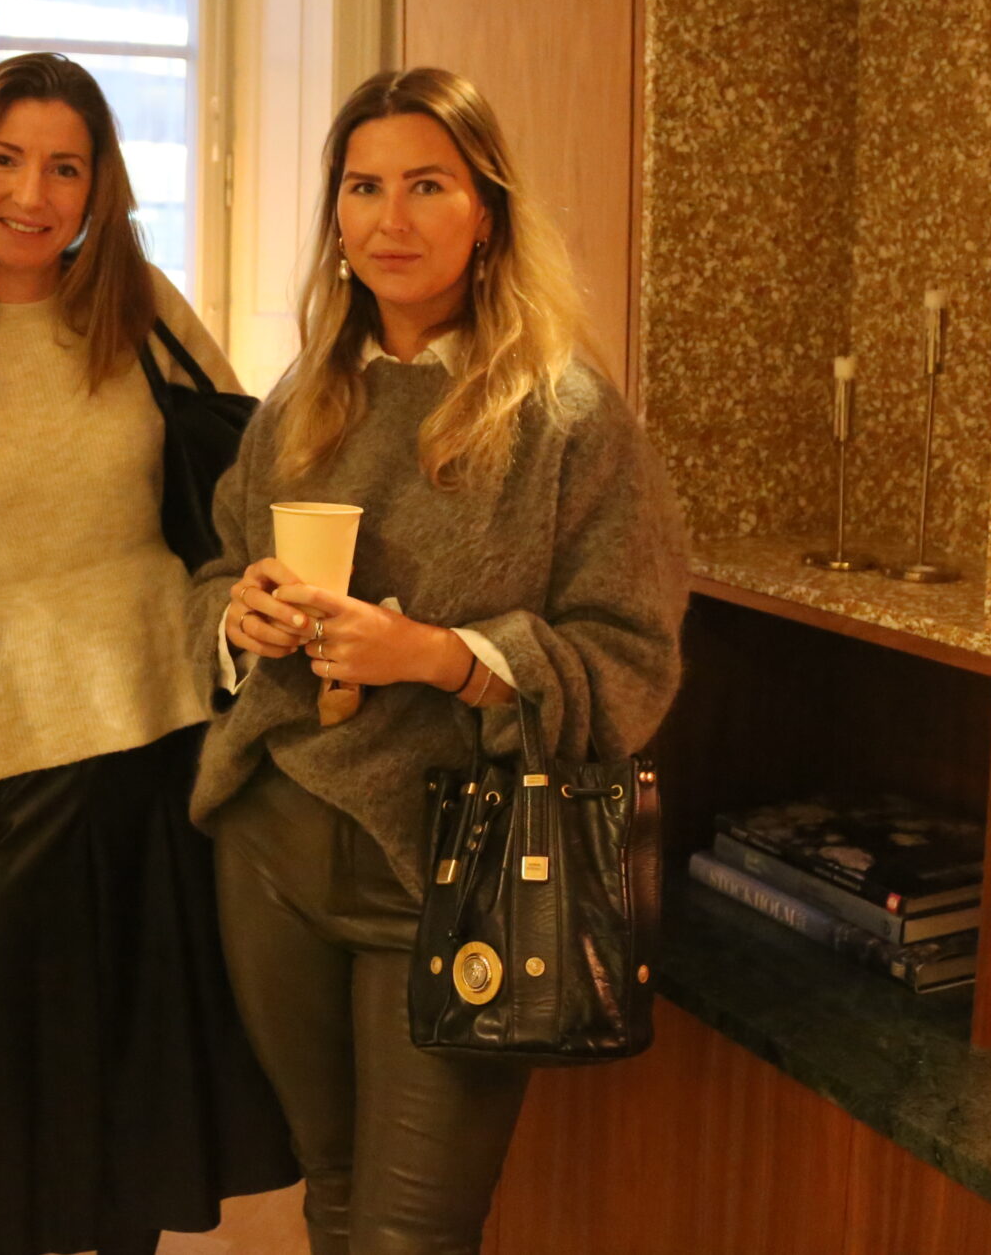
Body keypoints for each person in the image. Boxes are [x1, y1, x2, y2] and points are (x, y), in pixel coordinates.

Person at [189, 67, 688, 1255]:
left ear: (488, 213)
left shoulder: (565, 417)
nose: (390, 220)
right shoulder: (304, 396)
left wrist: (442, 658)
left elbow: (632, 657)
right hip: (274, 846)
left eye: (427, 186)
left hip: (461, 862)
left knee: (413, 1231)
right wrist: (236, 618)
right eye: (363, 188)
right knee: (332, 1191)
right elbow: (219, 567)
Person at [0, 52, 298, 1255]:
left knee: (135, 1104)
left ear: (99, 186)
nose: (32, 194)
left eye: (65, 167)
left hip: (167, 741)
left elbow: (246, 486)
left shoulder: (139, 308)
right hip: (3, 755)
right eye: (5, 160)